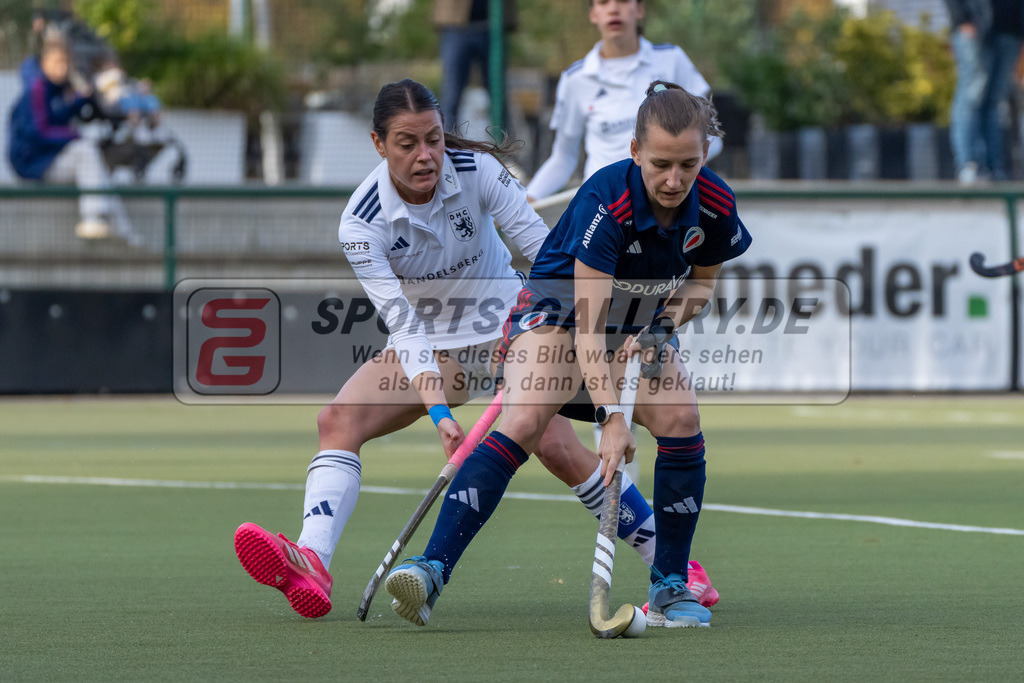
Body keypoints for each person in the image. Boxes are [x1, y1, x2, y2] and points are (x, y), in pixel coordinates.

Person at [232, 78, 674, 619]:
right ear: (378, 144)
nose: (426, 156)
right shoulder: (361, 222)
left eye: (434, 140)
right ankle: (313, 561)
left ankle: (672, 566)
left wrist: (563, 330)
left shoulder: (478, 172)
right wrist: (439, 411)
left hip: (512, 325)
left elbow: (544, 252)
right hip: (436, 346)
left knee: (556, 446)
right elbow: (403, 323)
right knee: (338, 420)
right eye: (407, 143)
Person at [386, 81, 750, 629]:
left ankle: (672, 586)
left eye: (688, 164)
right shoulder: (609, 200)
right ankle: (430, 570)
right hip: (559, 314)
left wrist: (664, 326)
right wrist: (611, 419)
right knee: (527, 418)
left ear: (703, 157)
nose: (674, 180)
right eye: (660, 164)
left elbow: (700, 285)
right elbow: (586, 329)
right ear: (634, 152)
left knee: (681, 416)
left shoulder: (716, 204)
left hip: (637, 320)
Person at [525, 0, 721, 202]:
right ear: (593, 14)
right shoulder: (575, 79)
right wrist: (526, 199)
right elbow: (563, 158)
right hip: (603, 206)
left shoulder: (672, 60)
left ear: (640, 9)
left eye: (623, 1)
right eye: (603, 2)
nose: (613, 9)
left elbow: (712, 139)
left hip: (665, 205)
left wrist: (669, 172)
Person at [8, 36, 136, 242]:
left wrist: (80, 100)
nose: (63, 67)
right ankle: (93, 219)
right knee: (85, 150)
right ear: (45, 63)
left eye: (66, 63)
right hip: (32, 163)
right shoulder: (37, 89)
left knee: (100, 173)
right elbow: (39, 132)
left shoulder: (60, 90)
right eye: (58, 62)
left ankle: (126, 234)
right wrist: (73, 135)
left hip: (48, 158)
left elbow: (59, 116)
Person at [945, 0, 1024, 183]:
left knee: (995, 101)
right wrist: (962, 19)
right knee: (972, 97)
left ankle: (993, 167)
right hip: (976, 27)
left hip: (1010, 32)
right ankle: (969, 164)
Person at [433, 0, 517, 132]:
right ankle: (445, 147)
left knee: (498, 96)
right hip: (456, 26)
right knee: (451, 94)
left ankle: (504, 147)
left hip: (493, 27)